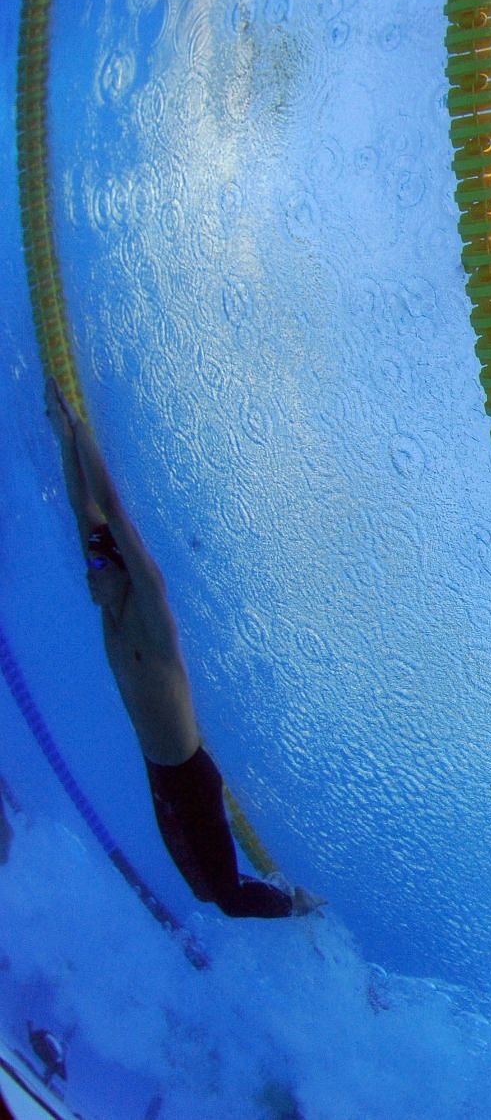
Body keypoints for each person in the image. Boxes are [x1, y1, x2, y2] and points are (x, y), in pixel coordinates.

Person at [46, 377, 317, 917]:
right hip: (161, 770)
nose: (91, 579)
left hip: (187, 776)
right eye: (93, 567)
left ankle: (303, 907)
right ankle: (282, 897)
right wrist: (62, 435)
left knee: (228, 899)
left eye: (100, 567)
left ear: (124, 570)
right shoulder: (112, 608)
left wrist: (83, 430)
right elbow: (86, 511)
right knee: (203, 889)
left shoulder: (148, 608)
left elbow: (112, 511)